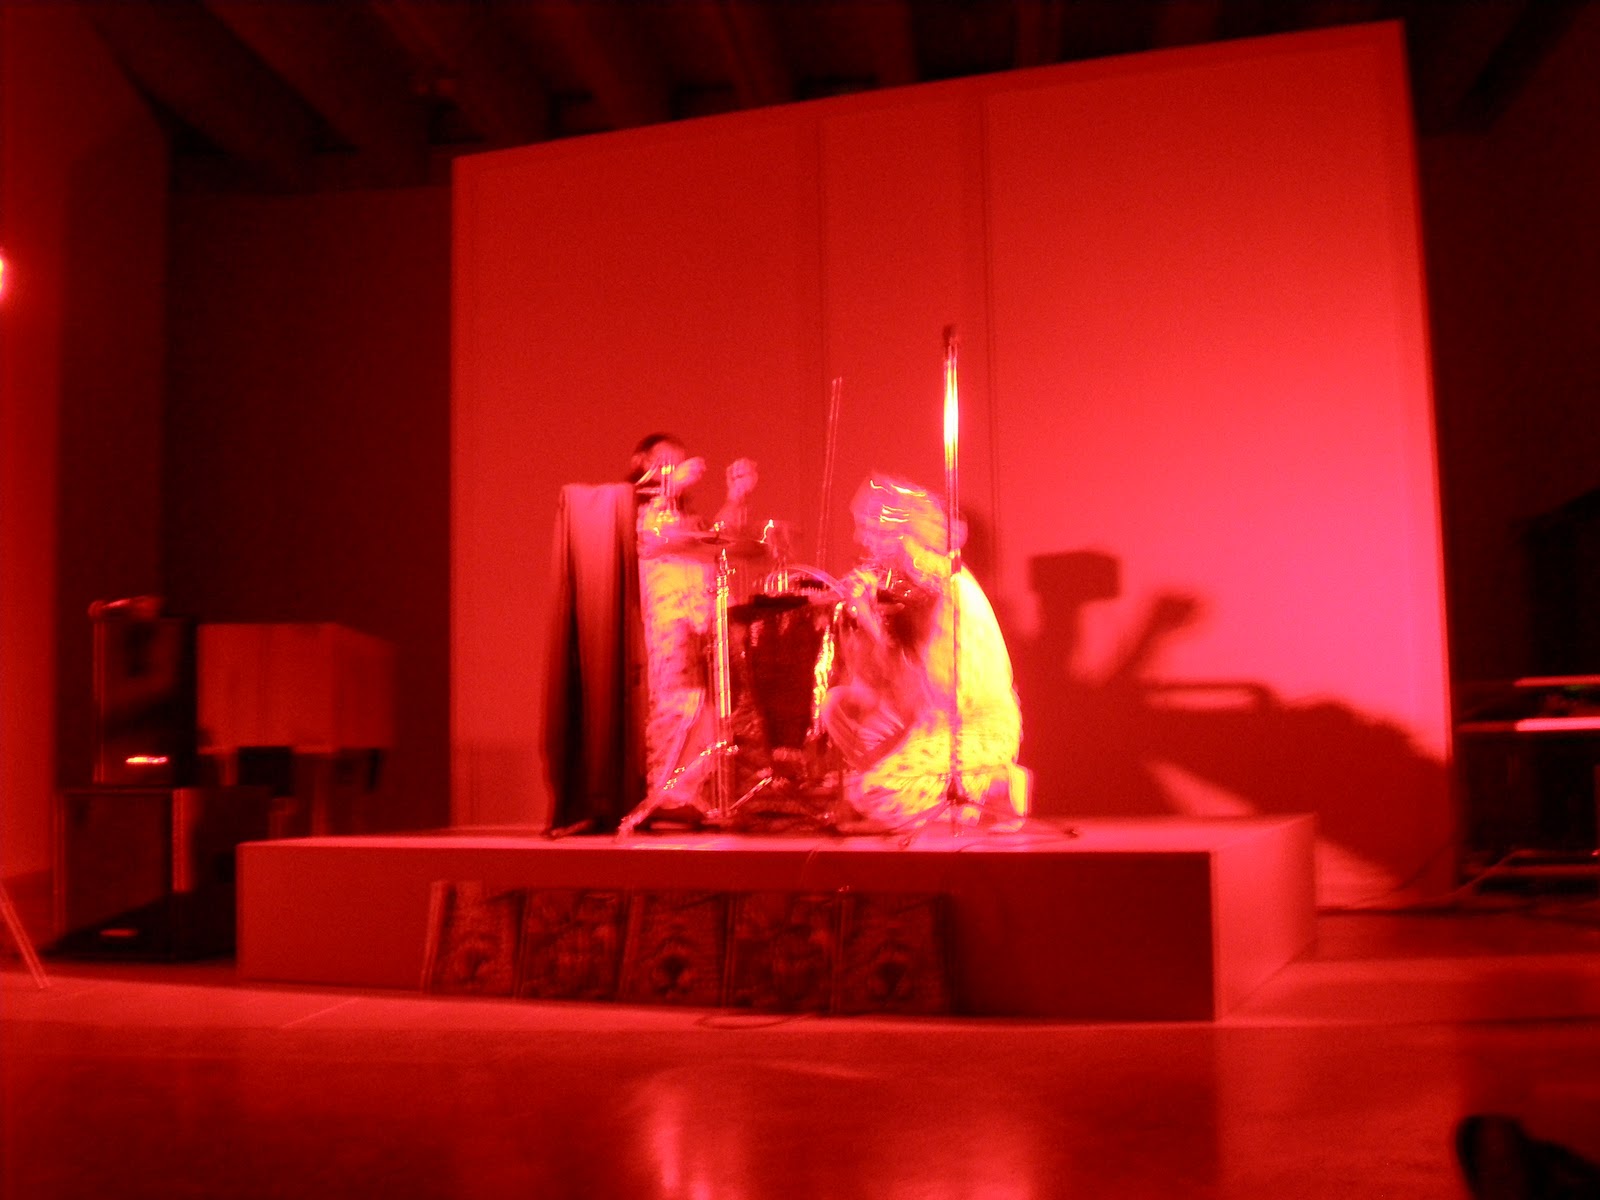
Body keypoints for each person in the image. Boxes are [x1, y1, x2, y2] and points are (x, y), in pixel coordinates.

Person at [822, 476, 1025, 828]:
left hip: (973, 729)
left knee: (876, 796)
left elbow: (933, 692)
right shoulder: (904, 589)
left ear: (897, 533)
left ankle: (995, 784)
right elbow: (885, 690)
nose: (859, 539)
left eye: (868, 529)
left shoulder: (946, 590)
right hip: (928, 724)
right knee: (836, 712)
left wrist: (871, 621)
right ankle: (938, 791)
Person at [625, 434, 758, 820]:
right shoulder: (636, 512)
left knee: (711, 706)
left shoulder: (686, 516)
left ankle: (695, 791)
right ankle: (666, 794)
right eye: (665, 461)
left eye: (677, 461)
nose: (674, 467)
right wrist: (671, 485)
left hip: (702, 619)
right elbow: (654, 535)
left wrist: (736, 497)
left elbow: (718, 540)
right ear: (642, 463)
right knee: (677, 700)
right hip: (671, 620)